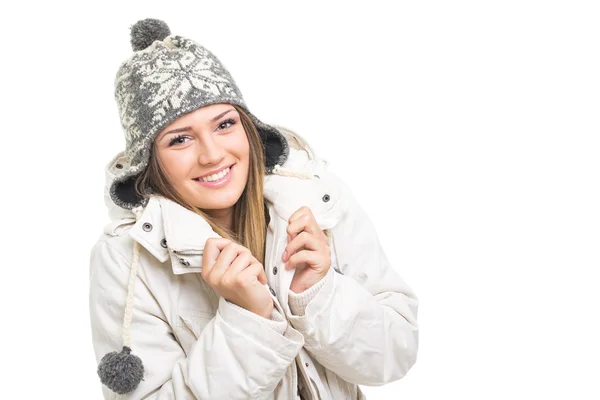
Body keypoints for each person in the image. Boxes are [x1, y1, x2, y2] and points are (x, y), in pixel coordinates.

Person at [89, 18, 419, 400]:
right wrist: (248, 319)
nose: (213, 155)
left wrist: (318, 295)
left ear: (247, 127)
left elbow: (396, 354)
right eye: (180, 139)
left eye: (225, 124)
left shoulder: (315, 200)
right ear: (151, 161)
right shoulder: (125, 259)